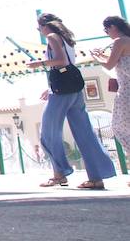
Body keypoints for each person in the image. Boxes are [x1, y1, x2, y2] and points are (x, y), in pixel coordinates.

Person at [27, 13, 116, 189]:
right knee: (85, 134)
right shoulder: (67, 39)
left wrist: (40, 63)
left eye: (39, 27)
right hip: (74, 89)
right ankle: (96, 177)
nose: (39, 31)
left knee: (48, 133)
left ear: (46, 26)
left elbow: (60, 61)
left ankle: (59, 174)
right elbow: (68, 63)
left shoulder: (52, 36)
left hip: (61, 92)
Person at [91, 15, 130, 186]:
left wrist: (96, 56)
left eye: (106, 30)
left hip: (127, 90)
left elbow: (109, 65)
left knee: (119, 127)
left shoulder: (120, 41)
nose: (107, 33)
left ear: (113, 26)